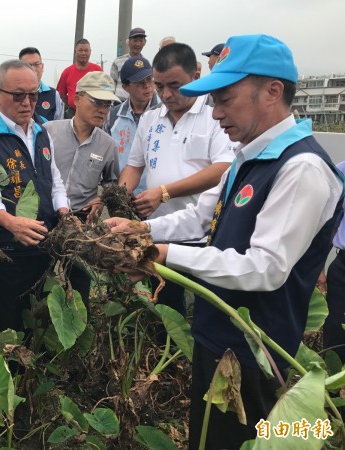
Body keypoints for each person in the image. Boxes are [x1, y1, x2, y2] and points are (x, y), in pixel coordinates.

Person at [107, 34, 344, 450]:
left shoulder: (301, 167)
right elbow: (202, 218)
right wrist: (143, 232)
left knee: (241, 440)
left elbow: (264, 267)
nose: (214, 114)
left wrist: (162, 255)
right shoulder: (246, 155)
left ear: (272, 92)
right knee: (208, 436)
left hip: (255, 350)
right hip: (217, 332)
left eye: (225, 100)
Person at [118, 43, 233, 316]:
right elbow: (134, 166)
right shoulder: (149, 119)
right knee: (165, 308)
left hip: (203, 234)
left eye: (175, 85)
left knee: (203, 308)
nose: (166, 94)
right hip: (157, 231)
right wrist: (118, 197)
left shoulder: (214, 115)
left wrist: (164, 192)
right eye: (159, 86)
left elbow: (223, 168)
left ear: (196, 74)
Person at [0, 60, 69, 360]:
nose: (27, 103)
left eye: (34, 95)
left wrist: (65, 213)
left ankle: (31, 390)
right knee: (3, 323)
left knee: (36, 319)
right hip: (6, 248)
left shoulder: (41, 132)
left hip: (44, 243)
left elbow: (55, 180)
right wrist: (10, 223)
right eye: (18, 95)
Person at [44, 71, 119, 302]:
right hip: (44, 215)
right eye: (96, 101)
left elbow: (113, 184)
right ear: (76, 99)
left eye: (107, 104)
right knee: (38, 280)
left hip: (81, 221)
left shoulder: (108, 145)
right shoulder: (48, 132)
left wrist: (101, 199)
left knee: (79, 288)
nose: (103, 110)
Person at [105, 56, 158, 195]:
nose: (147, 86)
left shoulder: (164, 113)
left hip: (156, 196)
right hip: (123, 194)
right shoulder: (113, 116)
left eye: (149, 79)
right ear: (125, 87)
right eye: (140, 82)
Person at [323, 160, 345, 361]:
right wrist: (318, 267)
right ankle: (333, 388)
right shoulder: (342, 171)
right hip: (343, 270)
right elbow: (331, 222)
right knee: (336, 331)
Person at [56, 39, 102, 118]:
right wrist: (72, 102)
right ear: (75, 52)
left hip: (93, 113)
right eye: (80, 50)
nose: (83, 53)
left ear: (90, 52)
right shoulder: (67, 72)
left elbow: (104, 91)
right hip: (72, 113)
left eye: (86, 50)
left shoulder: (98, 70)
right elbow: (61, 93)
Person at [19, 47, 63, 121]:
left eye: (36, 64)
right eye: (28, 65)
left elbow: (58, 124)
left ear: (42, 67)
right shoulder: (14, 94)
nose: (33, 69)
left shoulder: (54, 94)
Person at [109, 27, 148, 102]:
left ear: (145, 42)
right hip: (119, 103)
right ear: (129, 42)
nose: (137, 44)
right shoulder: (118, 61)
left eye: (141, 41)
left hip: (139, 104)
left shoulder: (146, 64)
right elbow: (111, 84)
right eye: (135, 40)